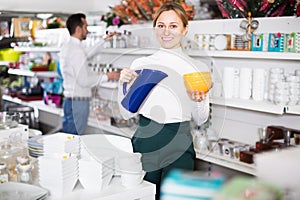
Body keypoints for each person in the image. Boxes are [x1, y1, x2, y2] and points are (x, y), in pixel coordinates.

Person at [118, 2, 211, 199]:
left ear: (185, 29)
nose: (166, 31)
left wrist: (198, 99)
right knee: (143, 195)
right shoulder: (141, 64)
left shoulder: (196, 68)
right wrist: (122, 85)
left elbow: (201, 118)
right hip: (146, 140)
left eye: (173, 25)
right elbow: (126, 113)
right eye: (161, 25)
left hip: (180, 141)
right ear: (155, 28)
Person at [60, 13, 119, 135]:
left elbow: (87, 53)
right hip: (78, 103)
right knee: (74, 141)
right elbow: (84, 81)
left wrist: (104, 40)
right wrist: (108, 76)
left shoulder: (69, 47)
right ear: (78, 29)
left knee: (69, 138)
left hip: (71, 101)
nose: (87, 30)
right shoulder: (76, 51)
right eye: (85, 27)